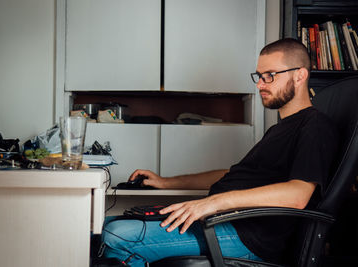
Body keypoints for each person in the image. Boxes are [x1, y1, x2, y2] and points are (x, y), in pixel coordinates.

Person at [99, 38, 339, 266]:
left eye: (270, 76)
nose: (259, 84)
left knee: (116, 235)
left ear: (300, 75)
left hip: (249, 237)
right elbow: (231, 174)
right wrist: (166, 182)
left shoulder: (314, 126)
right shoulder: (279, 130)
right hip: (225, 222)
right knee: (104, 226)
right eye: (258, 76)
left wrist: (214, 203)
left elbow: (297, 196)